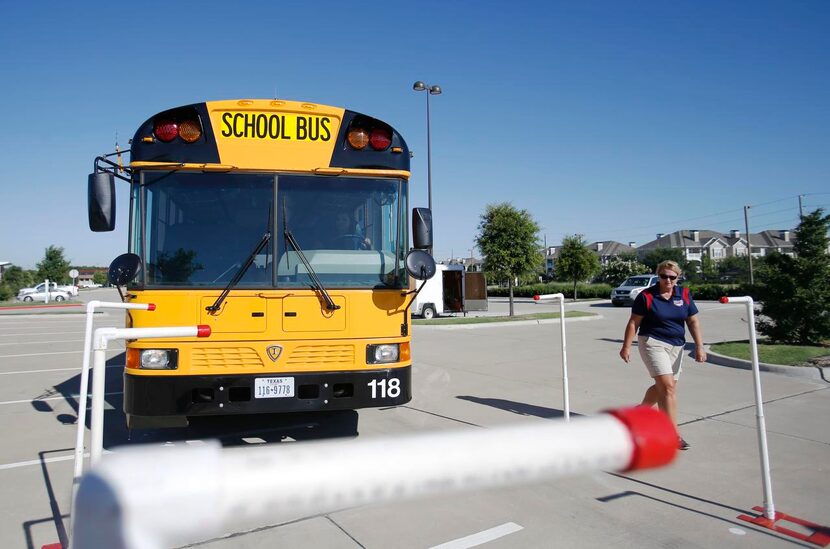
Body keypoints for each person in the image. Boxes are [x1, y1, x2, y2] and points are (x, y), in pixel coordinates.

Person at [619, 260, 706, 450]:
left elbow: (693, 322)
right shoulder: (647, 296)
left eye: (672, 277)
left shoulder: (683, 294)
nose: (668, 280)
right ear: (658, 276)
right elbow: (634, 322)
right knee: (667, 388)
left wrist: (699, 346)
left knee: (666, 386)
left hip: (677, 346)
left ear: (678, 277)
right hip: (652, 342)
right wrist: (626, 346)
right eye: (663, 276)